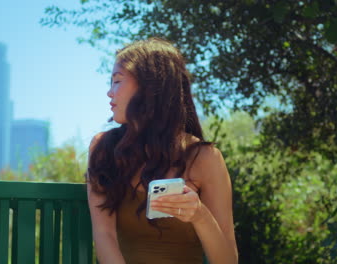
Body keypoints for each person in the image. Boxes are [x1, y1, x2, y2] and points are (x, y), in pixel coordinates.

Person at [86, 38, 238, 264]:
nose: (110, 93)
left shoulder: (204, 158)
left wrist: (200, 215)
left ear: (150, 88)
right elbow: (104, 234)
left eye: (117, 81)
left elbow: (227, 261)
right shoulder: (103, 149)